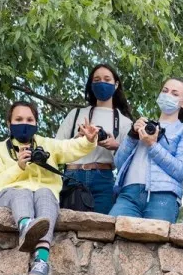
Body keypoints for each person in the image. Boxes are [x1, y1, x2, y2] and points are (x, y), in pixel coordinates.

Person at [0, 101, 98, 275]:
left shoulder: (46, 144)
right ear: (9, 124)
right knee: (22, 192)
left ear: (36, 123)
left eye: (29, 119)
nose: (24, 123)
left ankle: (41, 262)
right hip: (12, 194)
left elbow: (69, 148)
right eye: (18, 119)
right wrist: (19, 167)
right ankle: (26, 226)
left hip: (44, 194)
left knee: (45, 192)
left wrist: (88, 140)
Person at [109, 78, 183, 223]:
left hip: (163, 196)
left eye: (174, 94)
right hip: (128, 193)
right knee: (111, 236)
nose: (167, 96)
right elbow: (118, 162)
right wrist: (132, 135)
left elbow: (181, 170)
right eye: (165, 91)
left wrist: (153, 145)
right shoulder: (145, 125)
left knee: (154, 245)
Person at [56, 64, 133, 214]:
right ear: (91, 85)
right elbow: (56, 149)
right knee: (68, 230)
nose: (101, 83)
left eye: (106, 79)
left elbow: (130, 162)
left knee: (101, 231)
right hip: (73, 177)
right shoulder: (76, 114)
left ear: (116, 84)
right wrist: (78, 138)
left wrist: (116, 146)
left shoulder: (125, 122)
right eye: (96, 80)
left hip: (103, 178)